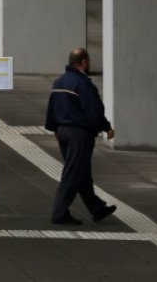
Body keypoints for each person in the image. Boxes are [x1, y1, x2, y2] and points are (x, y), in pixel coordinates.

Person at [45, 48, 117, 225]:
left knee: (82, 172)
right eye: (89, 61)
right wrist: (105, 127)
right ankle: (59, 213)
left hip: (62, 132)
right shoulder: (83, 84)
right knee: (73, 174)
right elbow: (94, 110)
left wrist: (55, 129)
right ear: (83, 62)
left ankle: (96, 208)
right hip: (79, 134)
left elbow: (52, 108)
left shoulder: (58, 82)